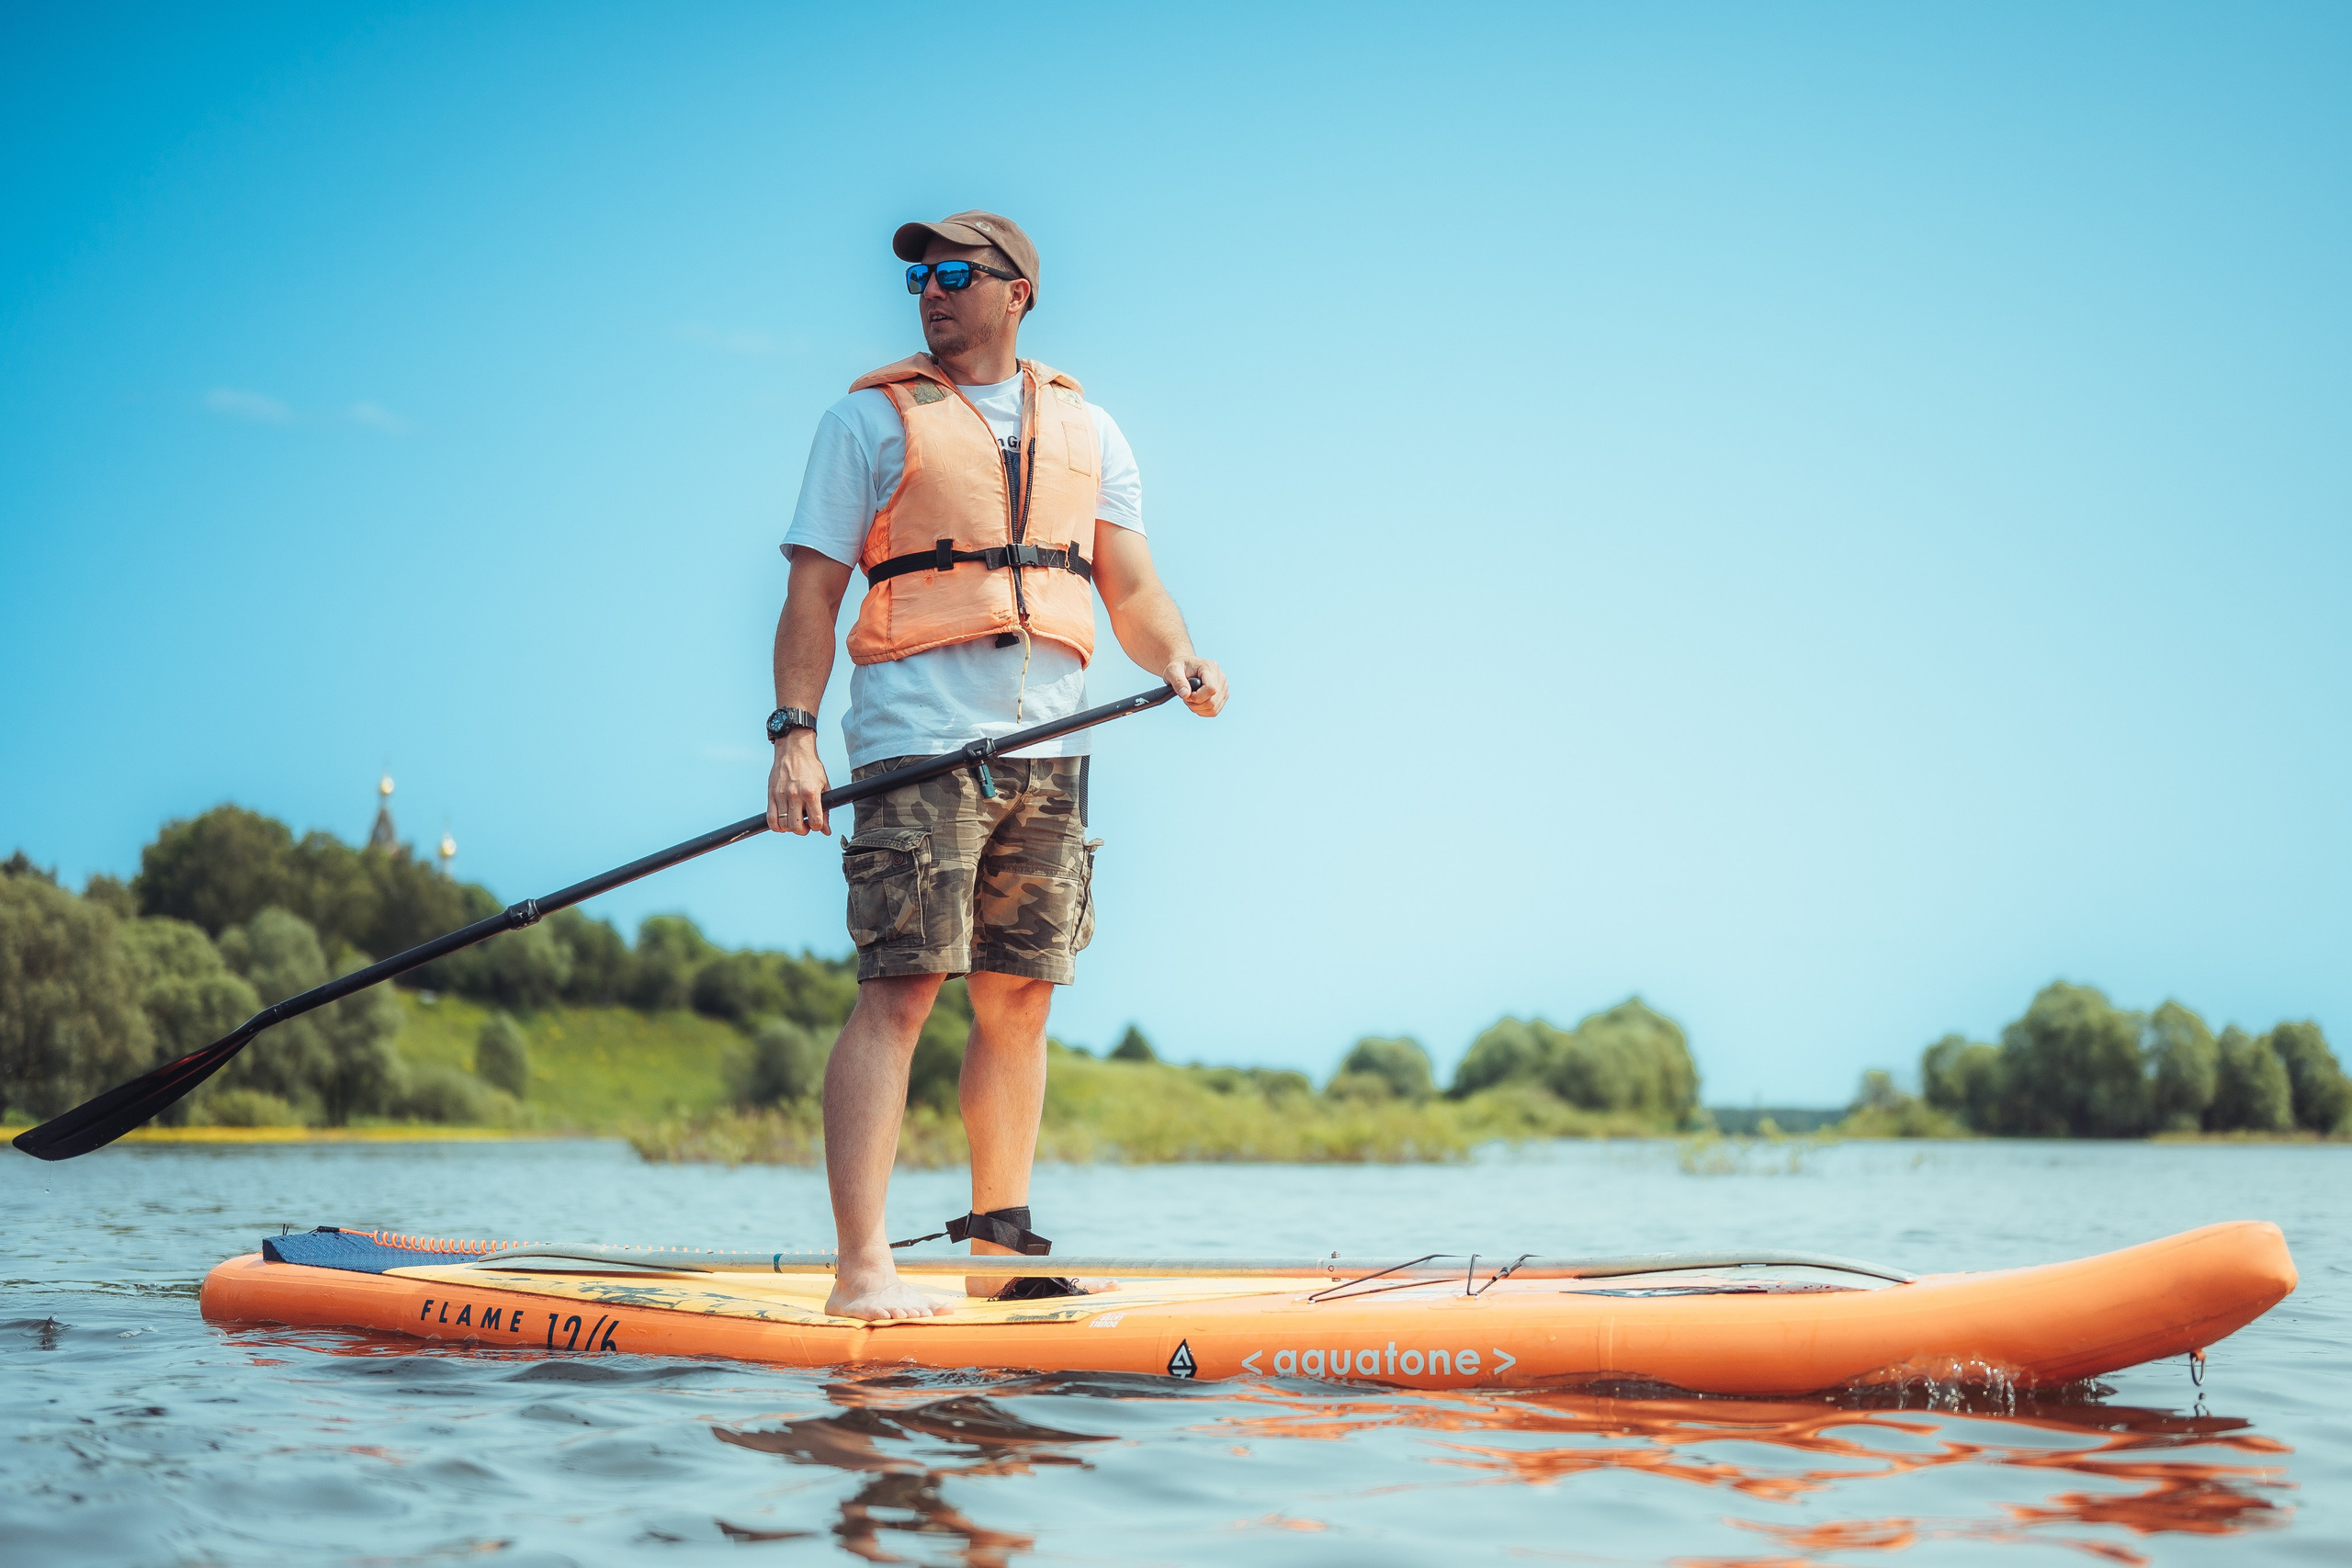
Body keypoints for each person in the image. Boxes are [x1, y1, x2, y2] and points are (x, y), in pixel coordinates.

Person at [766, 211, 1227, 1321]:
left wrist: (1178, 657)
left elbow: (1129, 588)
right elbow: (811, 596)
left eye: (954, 273)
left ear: (1017, 291)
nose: (930, 290)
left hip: (1049, 749)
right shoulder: (864, 424)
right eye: (919, 276)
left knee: (1021, 1001)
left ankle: (999, 1257)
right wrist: (794, 734)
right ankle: (862, 1269)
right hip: (915, 744)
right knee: (903, 991)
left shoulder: (1092, 431)